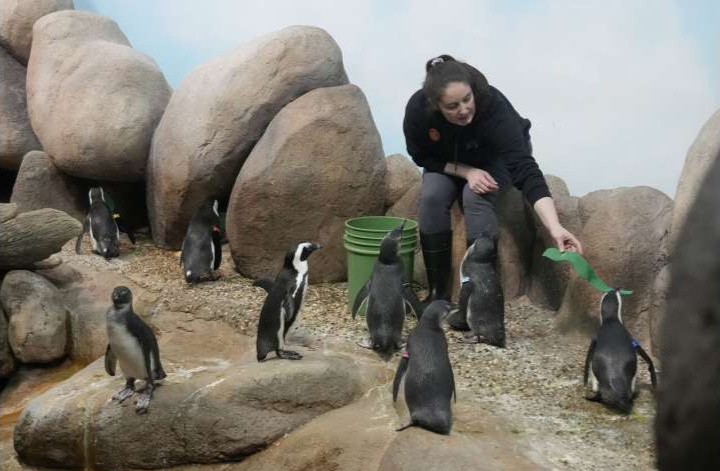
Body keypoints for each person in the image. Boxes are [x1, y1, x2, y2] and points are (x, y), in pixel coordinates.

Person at [403, 54, 582, 309]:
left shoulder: (492, 105)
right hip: (449, 162)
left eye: (467, 99)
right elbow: (421, 156)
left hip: (493, 158)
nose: (464, 110)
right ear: (435, 105)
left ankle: (478, 299)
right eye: (452, 106)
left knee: (474, 197)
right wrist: (466, 172)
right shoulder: (418, 110)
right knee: (432, 196)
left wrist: (554, 227)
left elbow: (524, 169)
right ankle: (437, 295)